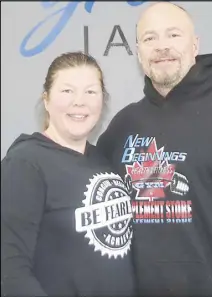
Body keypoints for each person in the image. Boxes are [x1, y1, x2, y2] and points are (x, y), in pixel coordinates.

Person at [96, 2, 212, 297]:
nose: (162, 46)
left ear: (195, 45)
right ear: (138, 51)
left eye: (173, 35)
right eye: (150, 38)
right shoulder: (122, 126)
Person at [1, 51, 135, 297]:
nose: (79, 102)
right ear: (46, 100)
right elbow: (10, 270)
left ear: (102, 101)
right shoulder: (25, 163)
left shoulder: (102, 160)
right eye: (67, 91)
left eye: (90, 92)